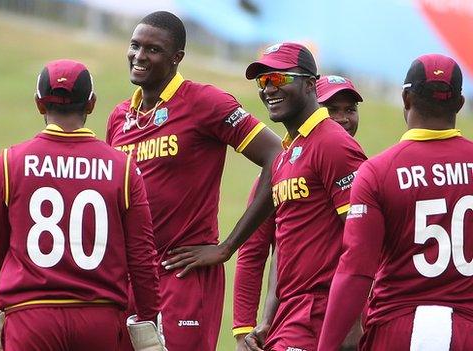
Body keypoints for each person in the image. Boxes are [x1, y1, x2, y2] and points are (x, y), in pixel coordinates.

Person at [105, 11, 282, 350]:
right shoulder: (119, 117)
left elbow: (277, 154)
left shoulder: (205, 103)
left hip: (183, 276)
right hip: (128, 278)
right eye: (135, 46)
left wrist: (228, 247)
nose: (139, 56)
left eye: (152, 49)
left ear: (176, 58)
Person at [0, 59, 163, 351]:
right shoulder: (123, 167)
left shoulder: (8, 163)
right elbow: (143, 257)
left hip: (30, 317)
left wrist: (0, 303)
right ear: (91, 104)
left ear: (39, 104)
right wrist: (149, 318)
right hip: (99, 320)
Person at [318, 54, 473, 350]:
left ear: (405, 98)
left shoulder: (377, 172)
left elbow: (355, 272)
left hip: (396, 329)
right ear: (460, 103)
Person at [241, 43, 367, 351]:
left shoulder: (333, 145)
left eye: (280, 79)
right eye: (264, 81)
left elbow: (364, 239)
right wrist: (266, 319)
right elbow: (281, 247)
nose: (269, 88)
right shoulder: (286, 155)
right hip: (290, 316)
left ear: (310, 84)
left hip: (322, 315)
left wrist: (354, 322)